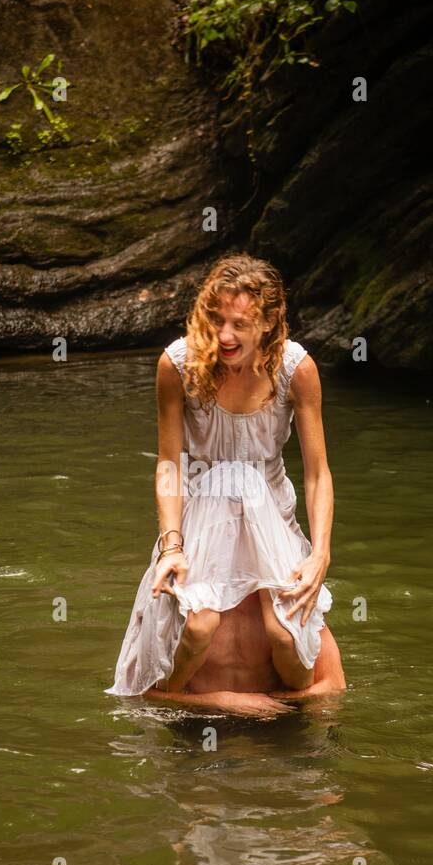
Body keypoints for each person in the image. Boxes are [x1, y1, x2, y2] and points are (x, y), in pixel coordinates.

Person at [106, 253, 345, 713]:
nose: (224, 336)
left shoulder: (297, 369)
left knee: (283, 632)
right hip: (201, 510)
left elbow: (318, 472)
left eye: (239, 323)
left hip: (270, 514)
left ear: (271, 321)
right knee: (196, 628)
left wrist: (320, 554)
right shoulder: (177, 364)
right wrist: (172, 545)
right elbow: (168, 464)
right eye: (215, 319)